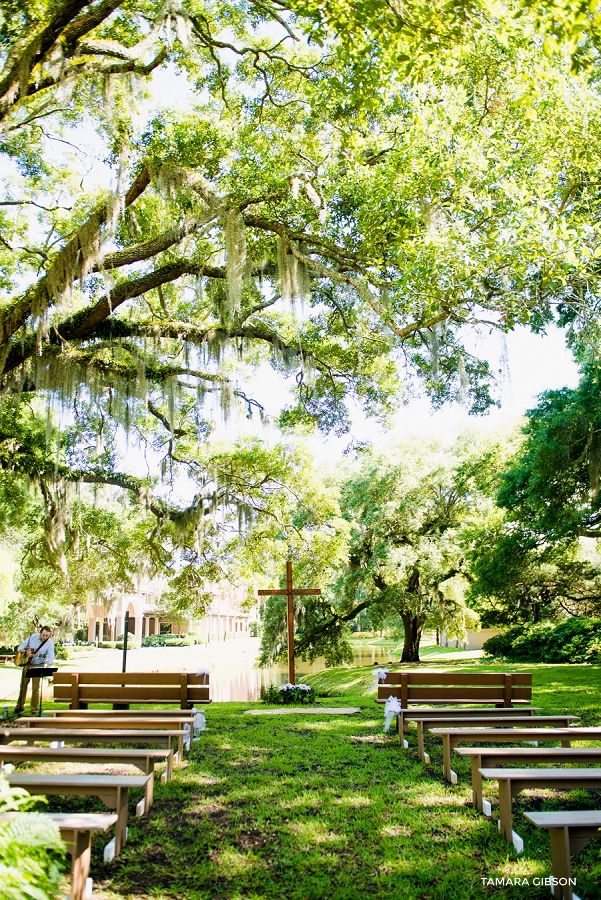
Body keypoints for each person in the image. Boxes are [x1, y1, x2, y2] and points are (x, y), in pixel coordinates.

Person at [15, 626, 55, 715]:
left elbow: (50, 655)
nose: (45, 637)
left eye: (47, 636)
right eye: (43, 635)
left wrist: (48, 665)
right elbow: (19, 648)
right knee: (23, 686)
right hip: (27, 664)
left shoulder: (50, 643)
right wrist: (26, 652)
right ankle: (19, 707)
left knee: (35, 688)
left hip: (39, 665)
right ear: (40, 633)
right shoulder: (32, 637)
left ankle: (34, 709)